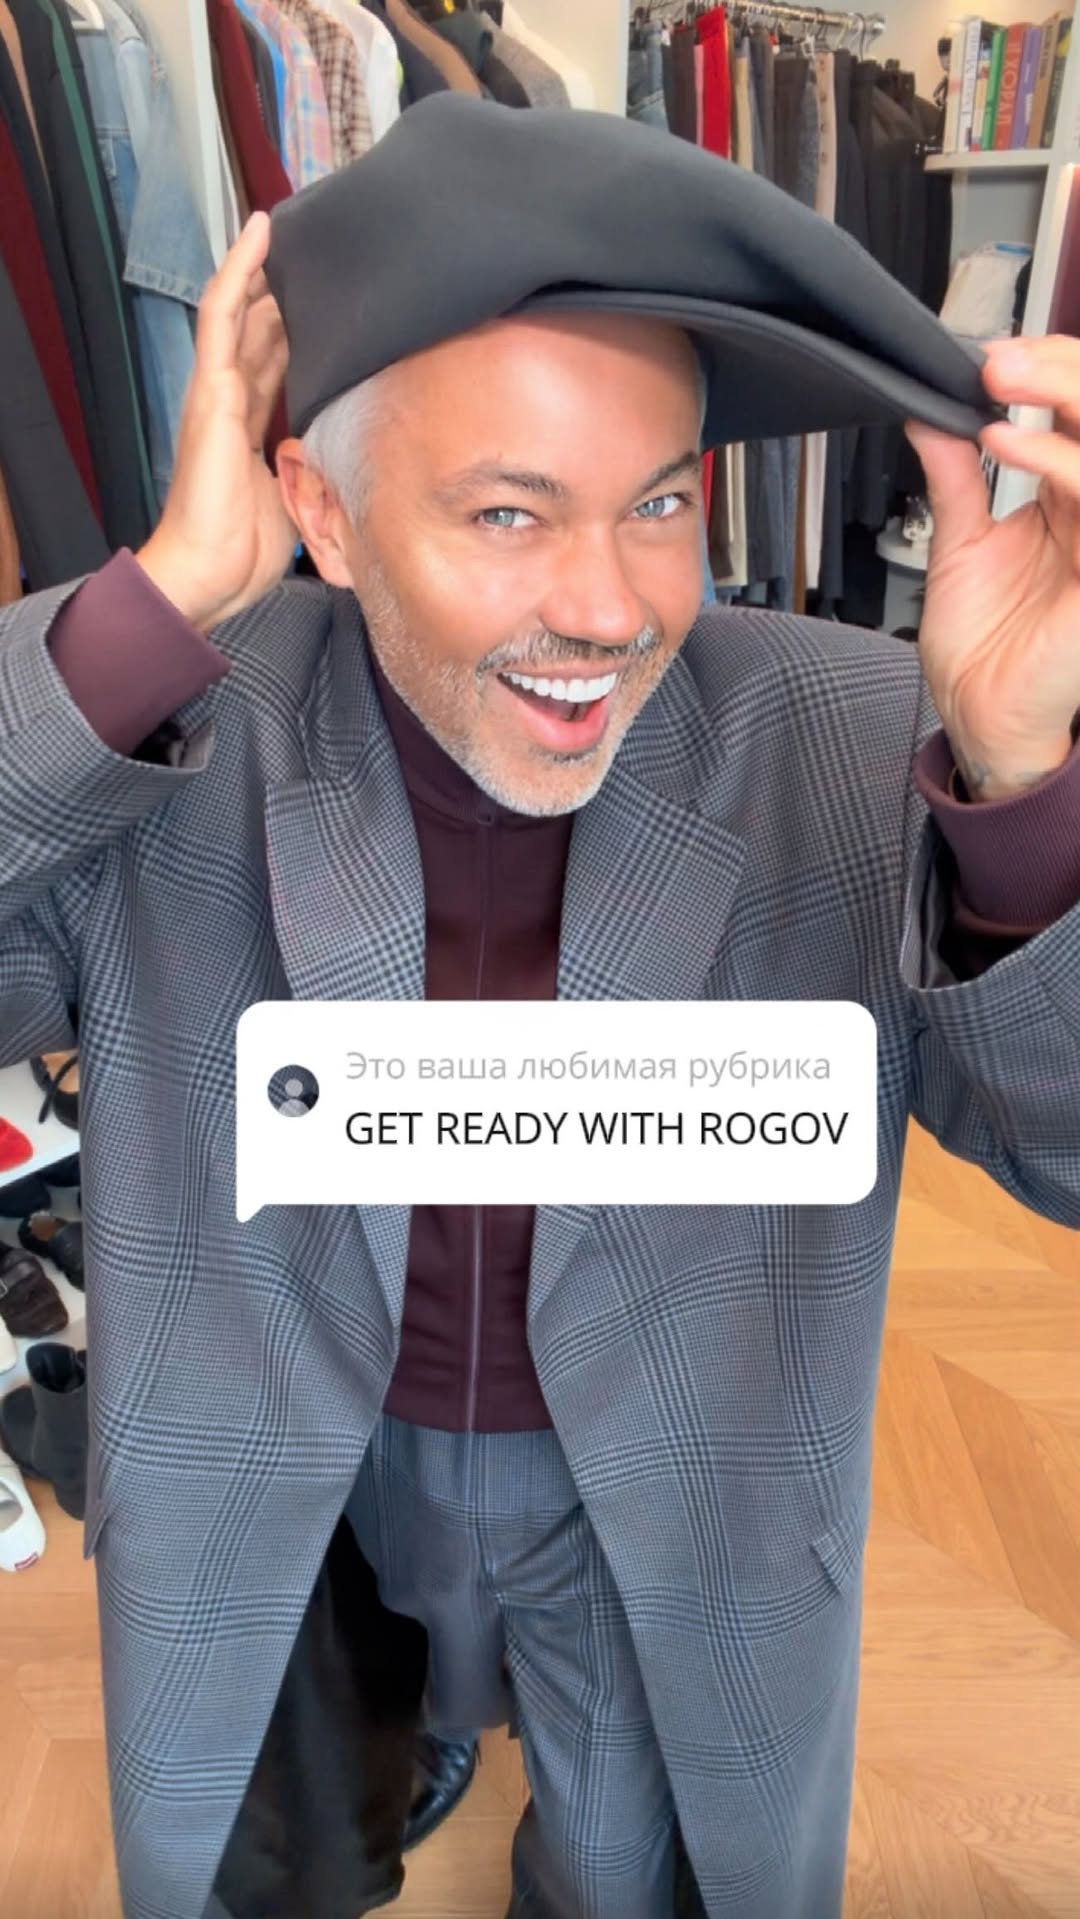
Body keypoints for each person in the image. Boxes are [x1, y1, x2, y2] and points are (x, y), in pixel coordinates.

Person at [2, 139, 1079, 1919]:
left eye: (658, 504)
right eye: (508, 514)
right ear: (324, 511)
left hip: (661, 1494)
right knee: (275, 1854)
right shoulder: (178, 734)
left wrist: (1026, 788)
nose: (608, 604)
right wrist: (157, 602)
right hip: (288, 1481)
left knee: (630, 1874)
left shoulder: (852, 739)